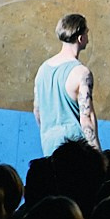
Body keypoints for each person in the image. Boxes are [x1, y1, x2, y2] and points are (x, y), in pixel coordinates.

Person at [33, 13, 98, 156]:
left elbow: (37, 112)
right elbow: (87, 117)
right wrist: (97, 155)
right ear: (81, 38)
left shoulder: (42, 69)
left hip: (49, 146)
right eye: (87, 33)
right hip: (76, 151)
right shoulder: (82, 73)